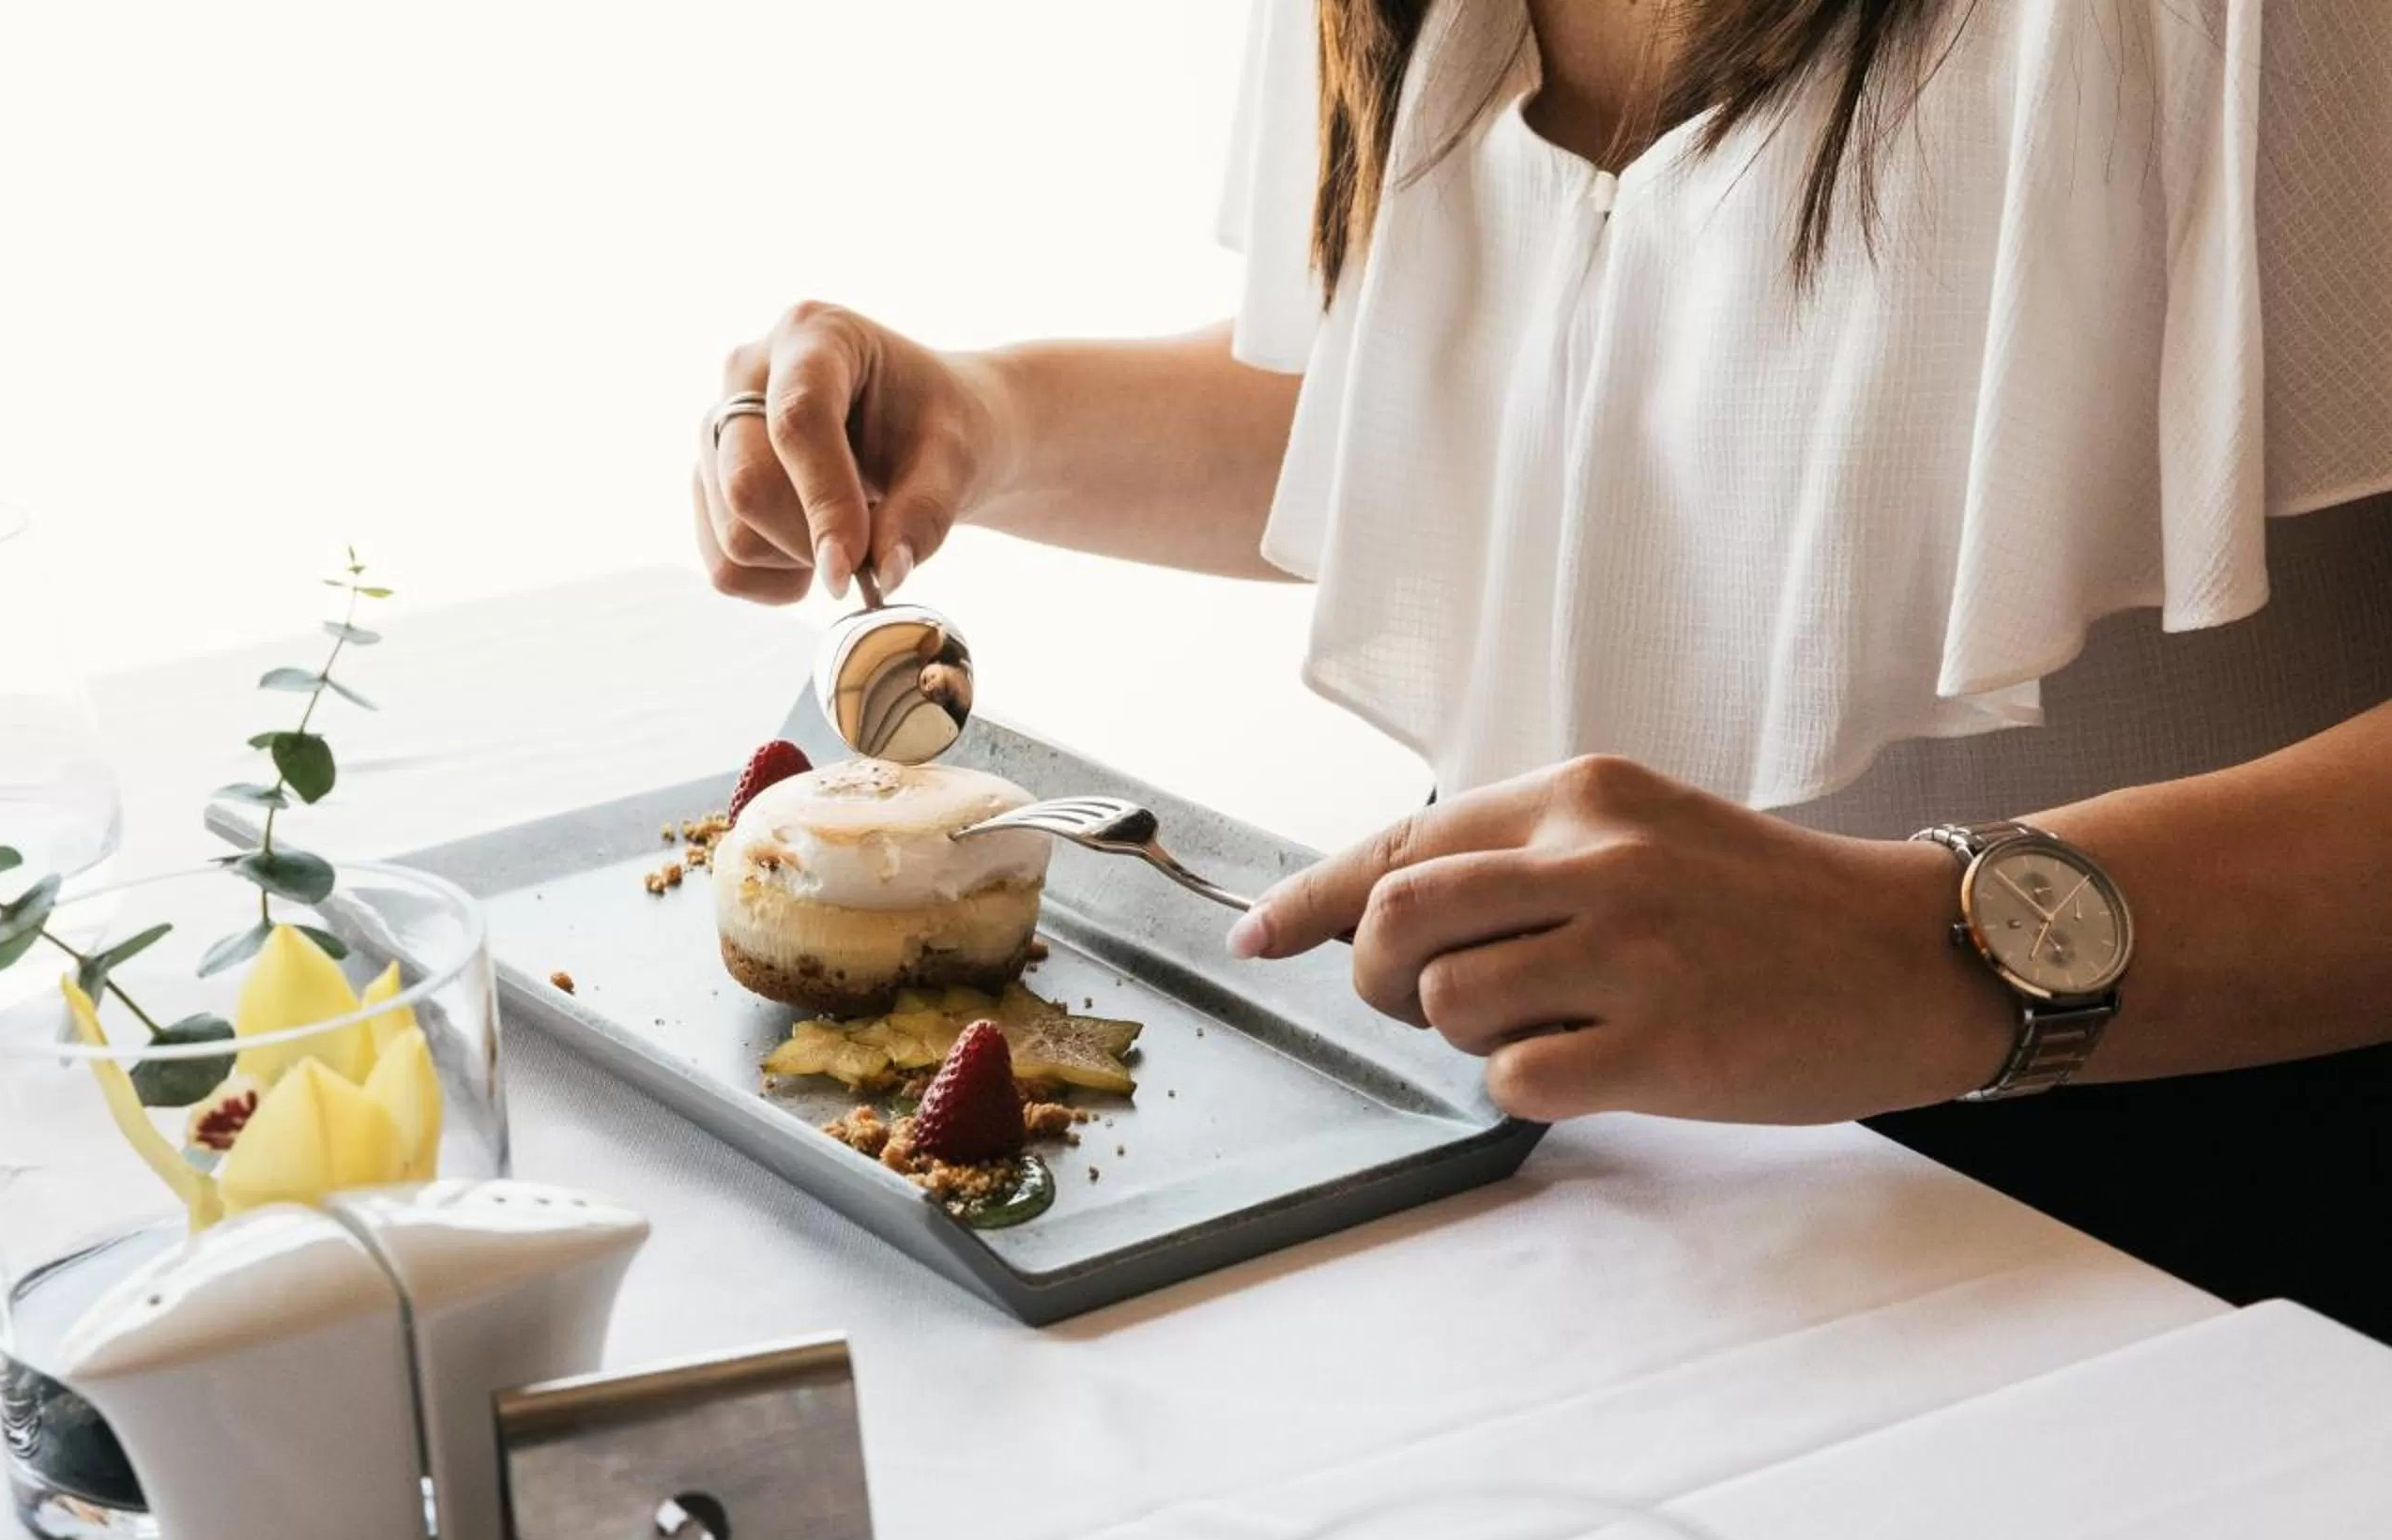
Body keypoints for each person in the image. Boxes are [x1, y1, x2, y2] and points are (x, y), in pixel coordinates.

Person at [693, 0, 2392, 1328]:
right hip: (1559, 1169)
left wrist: (1926, 947)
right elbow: (1554, 374)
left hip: (2207, 1217)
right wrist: (991, 419)